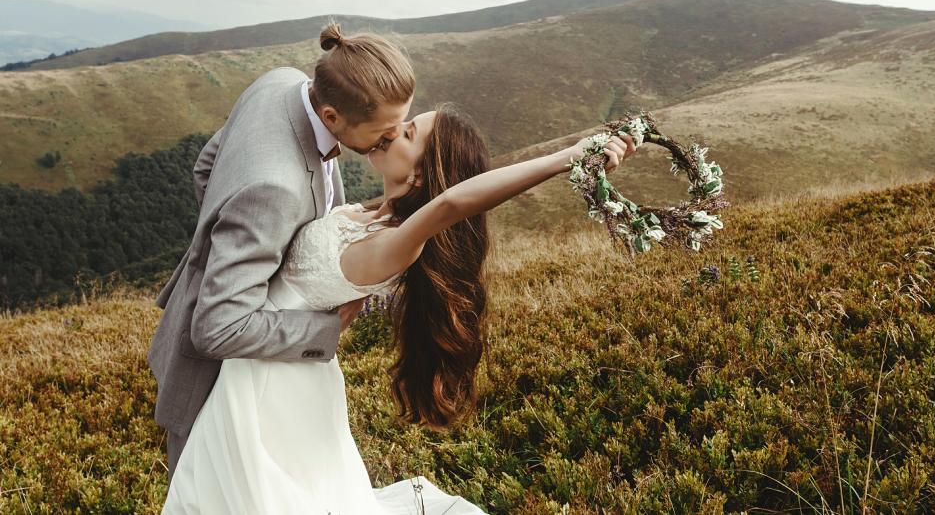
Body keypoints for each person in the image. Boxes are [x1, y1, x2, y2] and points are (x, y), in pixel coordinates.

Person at [160, 101, 637, 513]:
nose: (392, 131)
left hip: (273, 383)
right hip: (270, 365)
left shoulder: (398, 244)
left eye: (408, 133)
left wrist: (569, 158)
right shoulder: (366, 214)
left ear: (424, 172)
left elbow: (452, 205)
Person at [147, 23, 415, 482]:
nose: (390, 141)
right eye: (383, 132)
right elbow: (217, 328)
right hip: (220, 384)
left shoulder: (281, 82)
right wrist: (323, 327)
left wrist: (234, 240)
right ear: (332, 118)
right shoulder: (274, 189)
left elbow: (206, 166)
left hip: (268, 377)